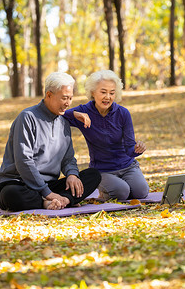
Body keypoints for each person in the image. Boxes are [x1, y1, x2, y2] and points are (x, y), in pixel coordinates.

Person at [0, 72, 101, 211]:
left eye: (70, 98)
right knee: (11, 195)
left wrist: (72, 174)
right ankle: (49, 202)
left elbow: (68, 159)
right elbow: (24, 161)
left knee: (93, 175)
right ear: (49, 95)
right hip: (20, 183)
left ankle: (62, 200)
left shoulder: (63, 123)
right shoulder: (27, 117)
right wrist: (47, 194)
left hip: (49, 185)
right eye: (64, 98)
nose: (68, 103)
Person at [63, 70, 149, 201]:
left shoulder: (123, 113)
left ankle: (117, 187)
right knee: (122, 192)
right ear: (93, 92)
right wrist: (75, 114)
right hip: (102, 170)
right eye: (103, 92)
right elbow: (59, 113)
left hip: (127, 167)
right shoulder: (84, 112)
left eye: (112, 93)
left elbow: (129, 148)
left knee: (141, 192)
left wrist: (138, 148)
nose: (107, 97)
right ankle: (108, 190)